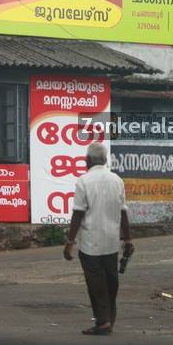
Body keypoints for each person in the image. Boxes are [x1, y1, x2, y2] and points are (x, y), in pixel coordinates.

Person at [63, 143, 133, 335]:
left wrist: (70, 242)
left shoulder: (83, 181)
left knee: (96, 283)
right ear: (105, 160)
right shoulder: (117, 180)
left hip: (90, 244)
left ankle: (103, 322)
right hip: (111, 242)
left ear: (87, 161)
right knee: (111, 281)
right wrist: (127, 239)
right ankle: (108, 318)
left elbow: (78, 214)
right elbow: (123, 212)